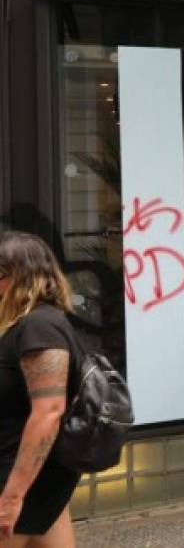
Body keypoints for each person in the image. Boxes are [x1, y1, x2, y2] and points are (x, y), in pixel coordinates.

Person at [0, 232, 81, 546]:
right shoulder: (26, 325)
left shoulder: (39, 327)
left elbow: (49, 412)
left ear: (22, 278)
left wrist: (12, 496)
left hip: (17, 480)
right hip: (34, 482)